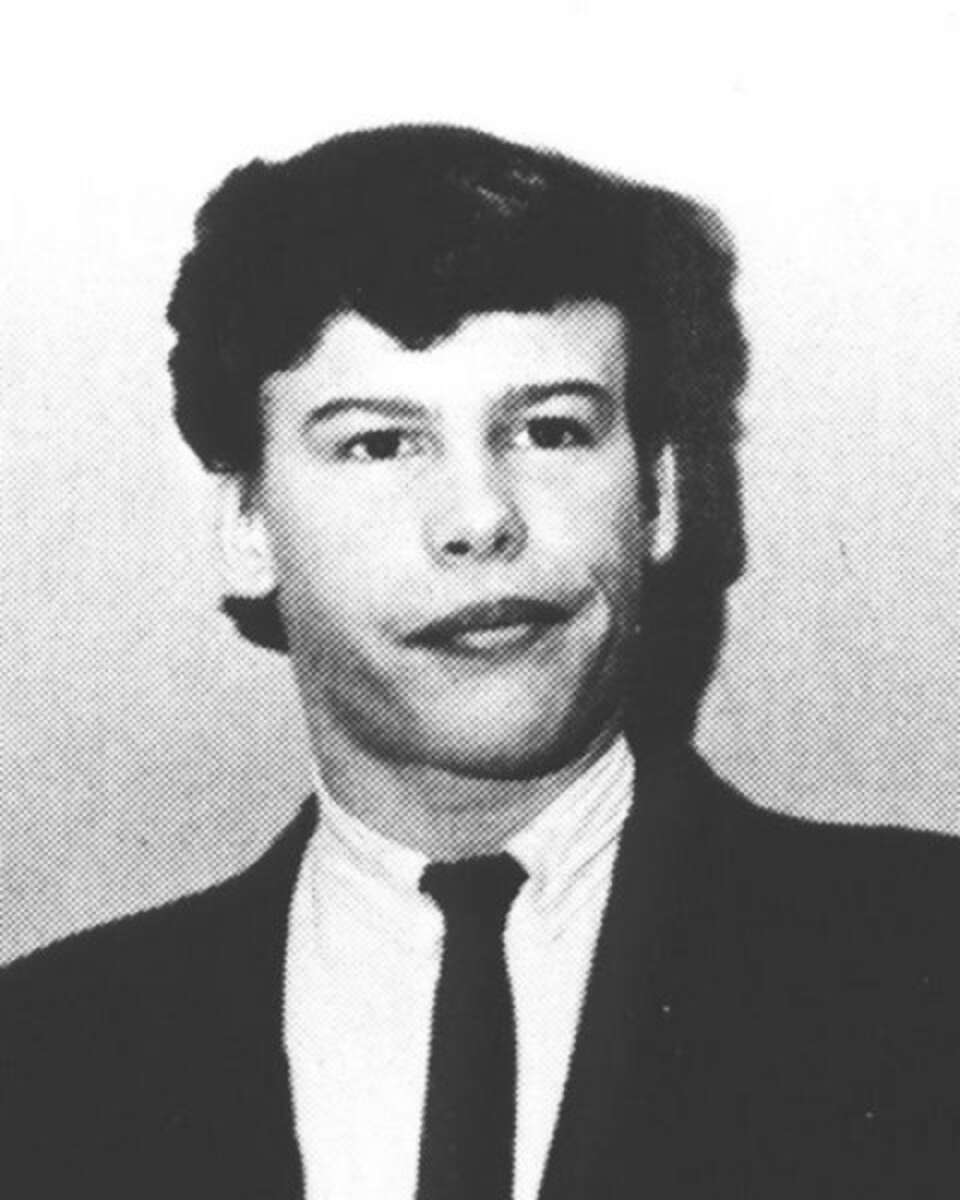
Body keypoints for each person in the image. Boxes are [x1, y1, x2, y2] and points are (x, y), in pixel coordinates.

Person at [3, 124, 960, 1200]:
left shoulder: (929, 970)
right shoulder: (41, 1062)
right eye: (379, 442)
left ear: (660, 495)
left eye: (551, 431)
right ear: (245, 526)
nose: (479, 519)